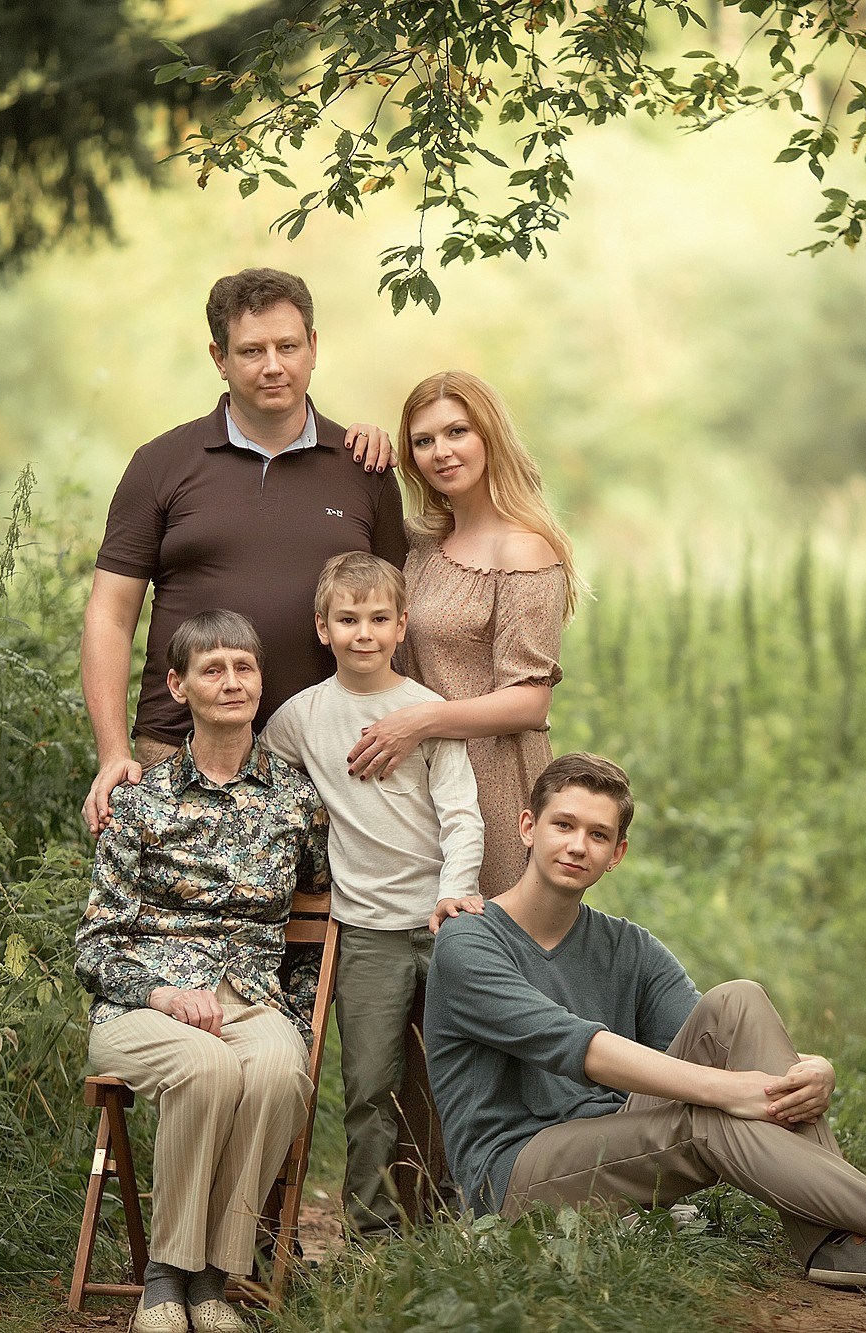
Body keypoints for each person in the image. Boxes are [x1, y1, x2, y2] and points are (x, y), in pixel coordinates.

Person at [424, 753, 866, 1293]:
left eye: (598, 835)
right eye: (564, 825)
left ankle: (833, 1240)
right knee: (708, 1118)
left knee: (738, 1001)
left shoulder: (629, 945)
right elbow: (580, 1048)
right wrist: (728, 1091)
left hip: (616, 1137)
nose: (578, 845)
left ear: (616, 854)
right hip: (515, 1174)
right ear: (528, 828)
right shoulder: (470, 940)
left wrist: (815, 1073)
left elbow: (722, 1045)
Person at [81, 267, 407, 837]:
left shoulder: (364, 469)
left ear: (313, 348)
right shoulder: (161, 465)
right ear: (219, 357)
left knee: (327, 924)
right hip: (180, 750)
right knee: (174, 923)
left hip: (331, 751)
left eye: (288, 346)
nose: (273, 365)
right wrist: (112, 753)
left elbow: (401, 617)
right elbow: (110, 614)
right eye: (252, 350)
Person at [75, 610, 326, 1333]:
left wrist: (298, 1017)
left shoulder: (295, 800)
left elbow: (310, 928)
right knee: (205, 1068)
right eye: (213, 668)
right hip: (144, 1007)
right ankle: (164, 1279)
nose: (232, 680)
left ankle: (214, 1278)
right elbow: (94, 943)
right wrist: (160, 991)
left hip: (251, 995)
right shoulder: (141, 800)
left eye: (244, 667)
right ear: (178, 685)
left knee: (282, 1069)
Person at [259, 552, 486, 1236]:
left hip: (444, 921)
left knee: (460, 1077)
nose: (364, 632)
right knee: (368, 1086)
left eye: (379, 618)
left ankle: (466, 1213)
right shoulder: (301, 717)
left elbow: (461, 813)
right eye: (348, 619)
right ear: (322, 627)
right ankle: (371, 1229)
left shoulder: (426, 710)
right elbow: (270, 787)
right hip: (364, 929)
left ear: (402, 624)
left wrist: (457, 892)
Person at [345, 371, 579, 898]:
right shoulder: (423, 544)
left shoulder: (524, 551)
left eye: (457, 433)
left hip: (494, 782)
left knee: (492, 946)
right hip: (419, 777)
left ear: (489, 436)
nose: (441, 452)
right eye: (423, 441)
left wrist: (422, 721)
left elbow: (530, 703)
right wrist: (362, 444)